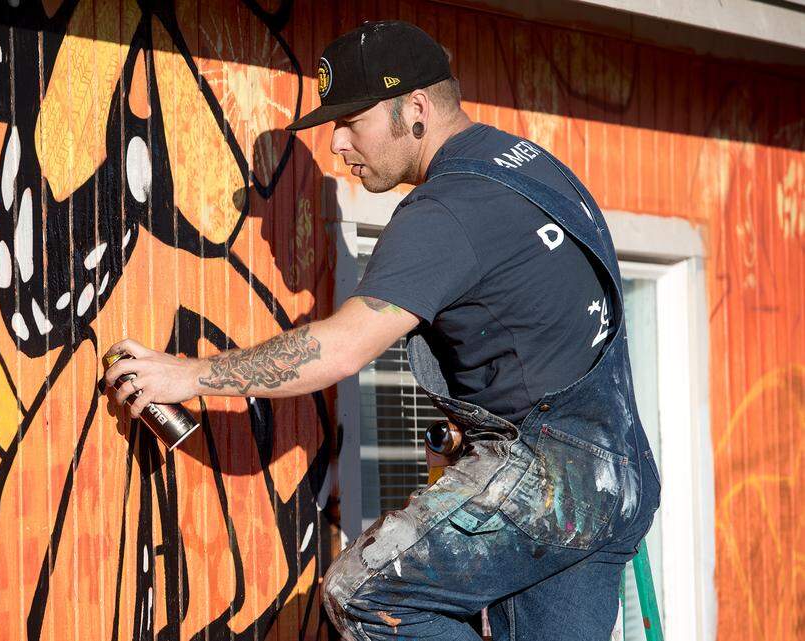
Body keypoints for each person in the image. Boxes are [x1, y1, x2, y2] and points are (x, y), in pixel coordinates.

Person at [105, 20, 660, 641]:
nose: (337, 143)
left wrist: (189, 375)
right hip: (617, 479)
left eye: (352, 121)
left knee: (362, 594)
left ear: (415, 109)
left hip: (544, 484)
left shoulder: (445, 209)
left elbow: (342, 348)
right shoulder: (533, 168)